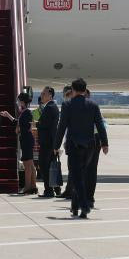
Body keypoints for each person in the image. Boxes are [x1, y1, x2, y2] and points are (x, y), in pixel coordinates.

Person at [54, 78, 108, 219]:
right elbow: (100, 125)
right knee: (81, 175)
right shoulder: (93, 105)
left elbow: (62, 126)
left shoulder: (67, 105)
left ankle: (84, 204)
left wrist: (56, 145)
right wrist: (104, 143)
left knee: (76, 176)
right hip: (90, 146)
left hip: (74, 145)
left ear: (73, 89)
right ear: (85, 90)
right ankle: (75, 207)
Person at [0, 92, 37, 194]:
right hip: (26, 140)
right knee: (30, 164)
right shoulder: (25, 112)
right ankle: (33, 186)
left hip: (26, 140)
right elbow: (19, 122)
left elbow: (25, 127)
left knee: (27, 164)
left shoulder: (27, 112)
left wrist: (18, 130)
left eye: (18, 100)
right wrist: (8, 116)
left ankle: (27, 186)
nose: (17, 102)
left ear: (22, 101)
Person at [35, 86, 60, 198]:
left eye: (44, 94)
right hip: (50, 142)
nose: (41, 95)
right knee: (50, 165)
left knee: (44, 165)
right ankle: (55, 188)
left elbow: (44, 124)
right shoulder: (51, 106)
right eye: (41, 93)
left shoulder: (50, 107)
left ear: (50, 95)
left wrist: (35, 124)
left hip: (47, 142)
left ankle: (49, 190)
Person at [83, 87, 105, 209]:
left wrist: (104, 142)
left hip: (93, 139)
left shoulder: (93, 107)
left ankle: (89, 197)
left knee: (91, 170)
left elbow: (101, 124)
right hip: (80, 140)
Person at [56, 85, 75, 200]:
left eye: (67, 94)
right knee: (71, 167)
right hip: (69, 141)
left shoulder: (68, 106)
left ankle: (71, 191)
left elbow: (62, 127)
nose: (65, 97)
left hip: (72, 141)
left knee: (73, 167)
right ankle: (69, 190)